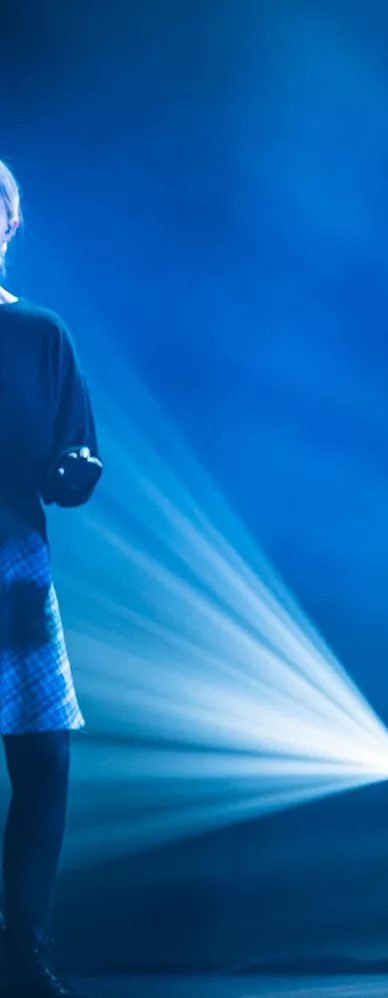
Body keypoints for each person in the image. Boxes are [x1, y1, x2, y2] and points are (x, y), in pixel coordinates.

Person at [0, 158, 102, 998]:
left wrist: (74, 472)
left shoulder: (42, 335)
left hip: (15, 567)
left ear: (9, 225)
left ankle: (21, 952)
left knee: (44, 762)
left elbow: (78, 451)